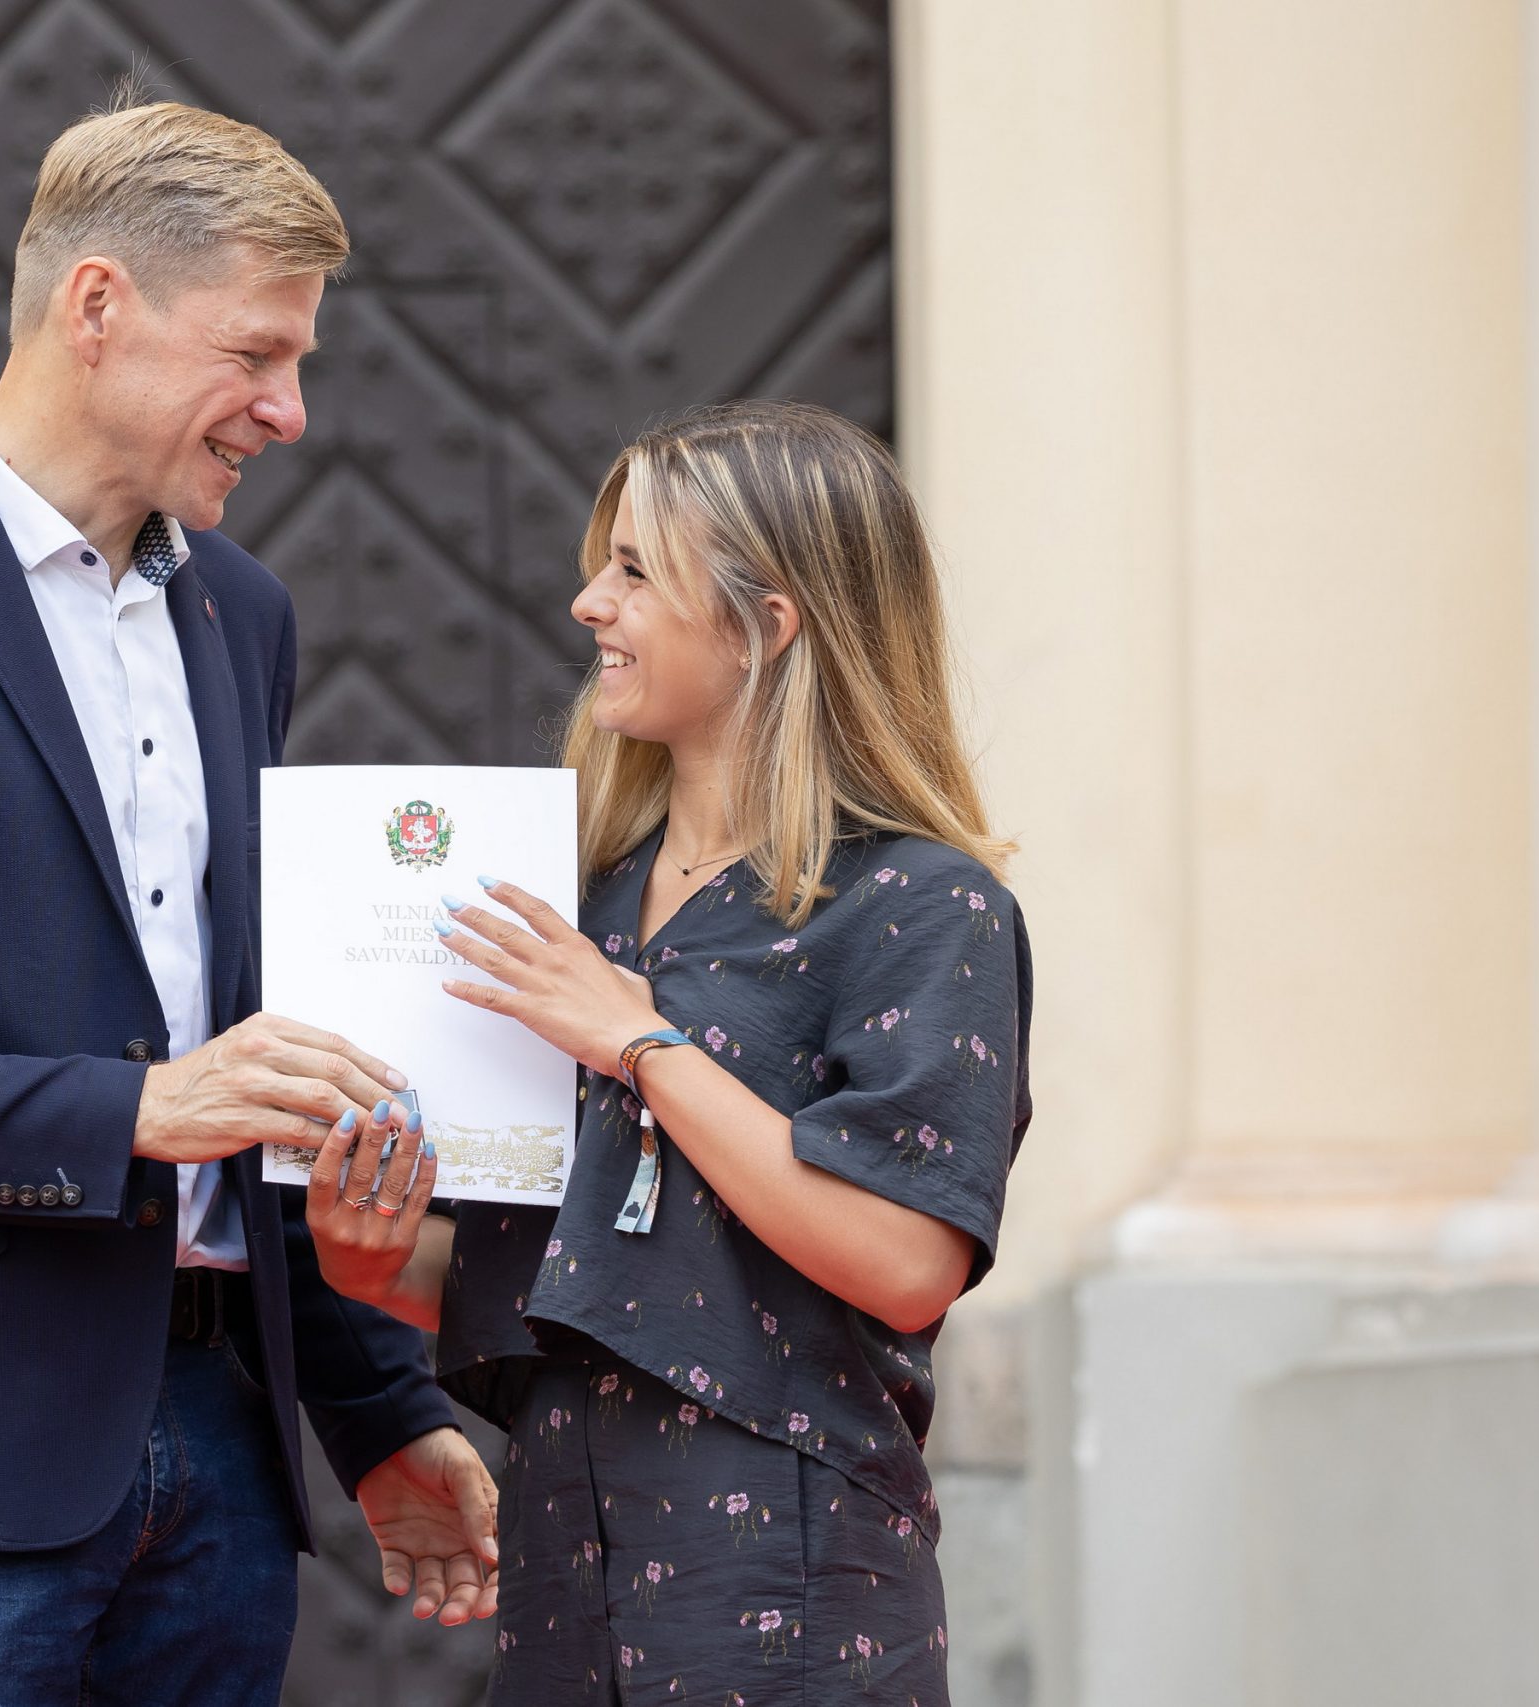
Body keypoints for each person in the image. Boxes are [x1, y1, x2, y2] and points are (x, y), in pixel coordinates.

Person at [0, 97, 498, 1706]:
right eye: (258, 354)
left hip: (224, 1464)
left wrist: (380, 1413)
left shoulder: (244, 615)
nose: (291, 411)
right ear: (98, 305)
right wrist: (134, 1113)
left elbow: (254, 1063)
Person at [305, 400, 1032, 1705]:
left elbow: (908, 1263)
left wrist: (641, 1043)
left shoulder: (923, 903)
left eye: (636, 570)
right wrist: (371, 1260)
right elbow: (574, 1273)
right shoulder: (575, 906)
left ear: (769, 623)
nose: (590, 602)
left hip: (792, 1584)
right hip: (561, 1571)